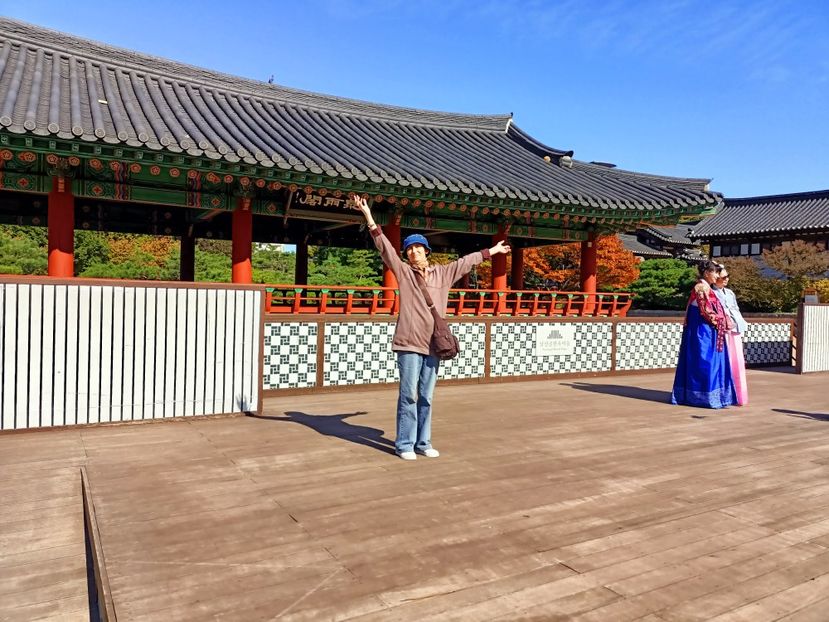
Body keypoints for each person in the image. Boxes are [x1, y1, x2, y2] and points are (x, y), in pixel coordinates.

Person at [348, 194, 511, 460]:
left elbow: (466, 262)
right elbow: (385, 248)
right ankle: (404, 444)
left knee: (426, 396)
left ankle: (423, 443)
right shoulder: (403, 273)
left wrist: (491, 251)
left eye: (417, 248)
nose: (412, 252)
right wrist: (368, 216)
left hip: (433, 344)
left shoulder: (443, 274)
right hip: (409, 343)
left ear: (426, 251)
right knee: (408, 395)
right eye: (409, 250)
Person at [671, 260, 737, 409]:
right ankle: (703, 396)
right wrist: (721, 320)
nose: (717, 275)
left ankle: (714, 396)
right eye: (714, 272)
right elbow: (706, 311)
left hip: (709, 328)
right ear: (707, 273)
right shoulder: (701, 287)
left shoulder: (708, 287)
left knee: (712, 361)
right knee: (704, 361)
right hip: (702, 331)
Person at [713, 268, 749, 405]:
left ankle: (739, 395)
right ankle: (725, 394)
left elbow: (736, 309)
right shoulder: (711, 293)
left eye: (728, 276)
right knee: (726, 361)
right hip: (723, 330)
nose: (727, 279)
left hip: (735, 328)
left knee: (737, 361)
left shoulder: (730, 293)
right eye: (724, 277)